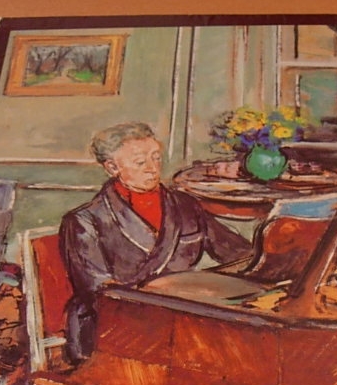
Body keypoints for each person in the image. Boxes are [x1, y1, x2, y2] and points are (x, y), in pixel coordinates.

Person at [59, 121, 251, 363]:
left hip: (182, 317)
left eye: (156, 158)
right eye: (140, 162)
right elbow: (101, 293)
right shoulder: (85, 221)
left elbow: (240, 254)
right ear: (112, 167)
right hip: (112, 328)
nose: (153, 169)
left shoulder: (185, 205)